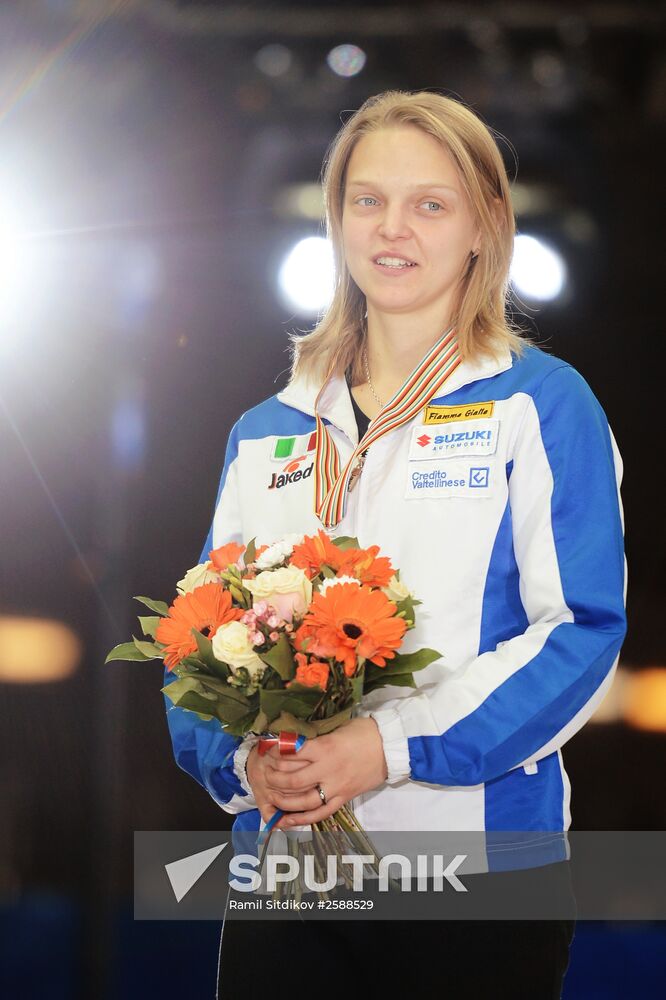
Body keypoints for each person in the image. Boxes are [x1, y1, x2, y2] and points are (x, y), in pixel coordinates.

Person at [164, 90, 626, 998]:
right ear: (336, 221)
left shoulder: (540, 404)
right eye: (367, 200)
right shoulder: (268, 428)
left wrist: (388, 748)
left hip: (477, 880)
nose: (393, 229)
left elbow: (578, 633)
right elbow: (198, 639)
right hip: (290, 876)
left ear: (485, 226)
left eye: (431, 203)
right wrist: (243, 764)